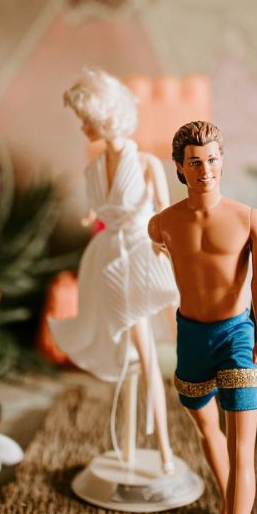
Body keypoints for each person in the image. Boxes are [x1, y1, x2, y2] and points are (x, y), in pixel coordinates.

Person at [148, 120, 257, 514]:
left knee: (242, 448)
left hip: (237, 337)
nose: (206, 169)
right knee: (206, 427)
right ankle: (227, 501)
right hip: (191, 339)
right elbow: (162, 259)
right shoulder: (161, 224)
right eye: (195, 162)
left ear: (223, 160)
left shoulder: (249, 219)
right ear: (181, 169)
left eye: (212, 159)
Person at [49, 67, 179, 472]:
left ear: (107, 116)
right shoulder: (93, 167)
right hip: (105, 260)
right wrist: (94, 215)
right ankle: (127, 444)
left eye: (87, 119)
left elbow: (162, 215)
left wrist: (168, 253)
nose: (83, 127)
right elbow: (100, 208)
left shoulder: (145, 163)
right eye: (81, 120)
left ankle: (164, 451)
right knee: (123, 353)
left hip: (139, 258)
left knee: (146, 356)